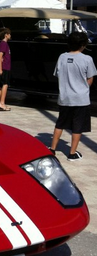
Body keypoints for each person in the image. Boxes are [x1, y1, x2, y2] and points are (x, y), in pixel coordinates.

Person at [50, 31, 97, 161]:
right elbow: (90, 79)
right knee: (78, 126)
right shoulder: (87, 59)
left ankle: (52, 149)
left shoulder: (62, 57)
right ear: (83, 45)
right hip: (81, 99)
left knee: (60, 123)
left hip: (65, 97)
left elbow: (58, 74)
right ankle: (72, 153)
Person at [0, 27, 12, 111]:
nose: (10, 35)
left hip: (4, 67)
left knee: (0, 86)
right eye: (9, 34)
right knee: (5, 84)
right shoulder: (3, 44)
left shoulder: (3, 44)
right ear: (6, 35)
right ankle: (2, 103)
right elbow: (0, 55)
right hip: (4, 67)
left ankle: (0, 103)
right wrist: (0, 69)